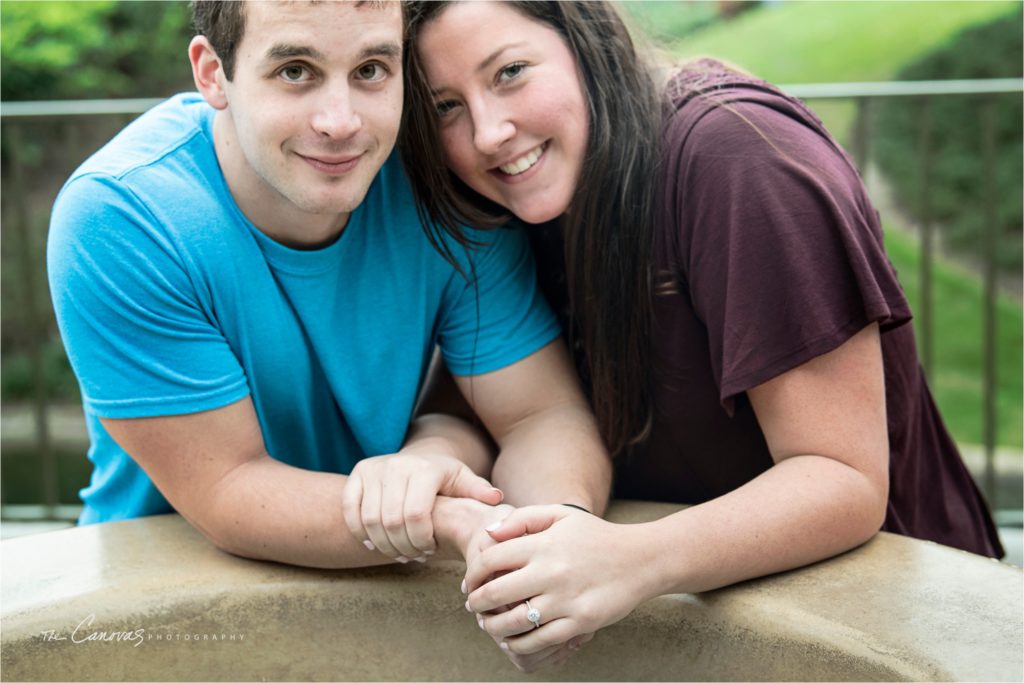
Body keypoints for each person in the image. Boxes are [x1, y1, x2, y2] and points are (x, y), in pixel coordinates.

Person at [399, 0, 1005, 672]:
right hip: (681, 631)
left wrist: (630, 558)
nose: (488, 132)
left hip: (885, 632)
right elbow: (484, 412)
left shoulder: (738, 160)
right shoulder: (498, 204)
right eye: (445, 106)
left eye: (510, 71)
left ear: (588, 40)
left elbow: (841, 477)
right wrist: (428, 463)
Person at [46, 0, 611, 570]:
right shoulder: (124, 216)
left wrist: (555, 541)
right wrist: (447, 519)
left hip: (386, 589)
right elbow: (228, 489)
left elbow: (537, 416)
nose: (341, 123)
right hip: (160, 593)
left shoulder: (439, 180)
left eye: (370, 70)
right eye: (295, 71)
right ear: (213, 74)